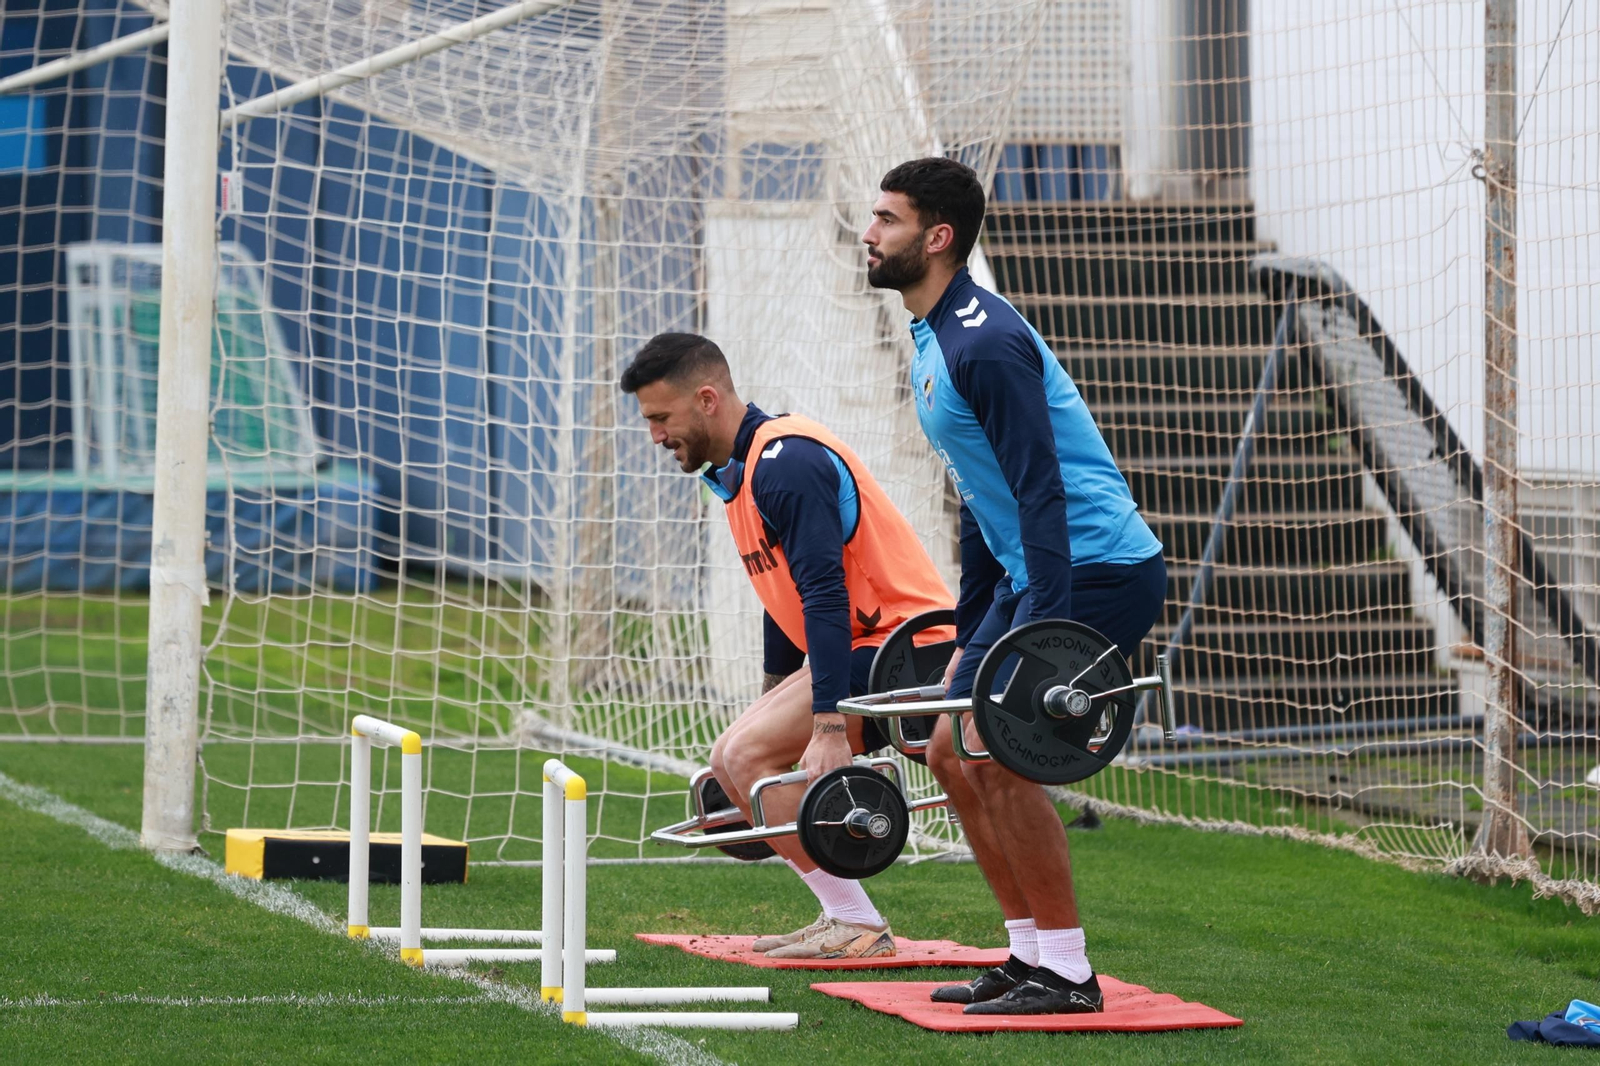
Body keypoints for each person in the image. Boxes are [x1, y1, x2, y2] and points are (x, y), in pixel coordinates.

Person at [861, 157, 1167, 1014]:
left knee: (991, 751)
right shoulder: (932, 337)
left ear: (938, 237)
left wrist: (1041, 637)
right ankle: (1029, 956)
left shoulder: (983, 342)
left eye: (886, 219)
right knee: (946, 750)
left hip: (1098, 568)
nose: (869, 233)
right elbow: (980, 495)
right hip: (1030, 570)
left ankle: (1068, 974)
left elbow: (1040, 490)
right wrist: (971, 633)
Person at [620, 331, 957, 960]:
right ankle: (845, 915)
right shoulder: (738, 473)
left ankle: (858, 923)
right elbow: (787, 597)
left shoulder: (786, 463)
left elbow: (824, 596)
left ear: (707, 399)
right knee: (727, 756)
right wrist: (774, 694)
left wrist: (826, 725)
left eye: (661, 418)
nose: (657, 436)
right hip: (863, 647)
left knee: (747, 754)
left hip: (909, 649)